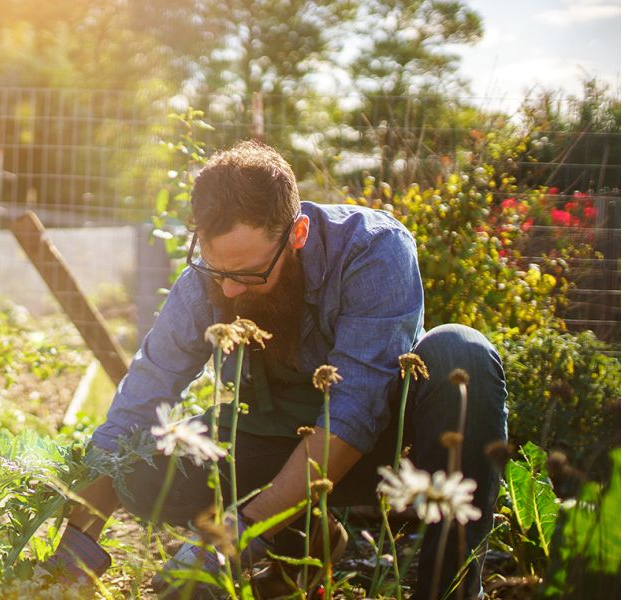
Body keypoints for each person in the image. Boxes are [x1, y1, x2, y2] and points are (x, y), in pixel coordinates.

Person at [44, 141, 507, 598]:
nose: (226, 290)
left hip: (384, 449)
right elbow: (140, 399)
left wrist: (237, 534)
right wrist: (77, 540)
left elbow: (355, 410)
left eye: (247, 275)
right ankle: (308, 543)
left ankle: (450, 589)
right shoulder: (208, 280)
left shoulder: (372, 251)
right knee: (141, 470)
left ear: (298, 233)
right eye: (214, 268)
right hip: (274, 440)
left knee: (460, 353)